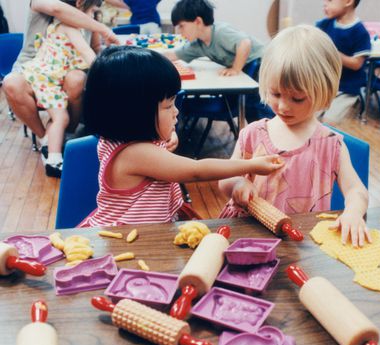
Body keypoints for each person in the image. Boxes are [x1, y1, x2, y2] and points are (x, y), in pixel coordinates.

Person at [79, 46, 283, 227]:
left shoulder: (120, 136)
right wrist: (252, 165)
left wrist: (168, 137)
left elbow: (155, 153)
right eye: (168, 106)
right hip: (129, 240)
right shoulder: (136, 153)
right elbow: (196, 171)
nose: (176, 111)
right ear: (135, 113)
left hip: (153, 228)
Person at [218, 25, 371, 247]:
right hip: (248, 237)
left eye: (297, 98)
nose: (283, 106)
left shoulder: (331, 145)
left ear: (324, 92)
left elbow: (356, 189)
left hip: (302, 241)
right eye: (275, 93)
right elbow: (224, 181)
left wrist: (354, 213)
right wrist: (238, 184)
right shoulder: (252, 134)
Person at [2, 0, 118, 162]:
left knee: (76, 79)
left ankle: (67, 132)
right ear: (80, 3)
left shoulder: (89, 17)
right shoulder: (43, 4)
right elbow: (56, 8)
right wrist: (103, 29)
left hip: (68, 68)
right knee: (11, 82)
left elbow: (94, 50)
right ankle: (46, 138)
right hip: (36, 67)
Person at [21, 0, 101, 177]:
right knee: (61, 118)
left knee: (60, 118)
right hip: (45, 79)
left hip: (46, 77)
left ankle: (51, 149)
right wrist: (106, 71)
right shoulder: (69, 26)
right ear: (79, 6)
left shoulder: (64, 26)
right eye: (91, 12)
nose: (92, 18)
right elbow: (88, 55)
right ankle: (54, 160)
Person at [163, 0, 271, 121]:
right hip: (248, 66)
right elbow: (174, 55)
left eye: (182, 26)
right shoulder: (198, 44)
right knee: (250, 105)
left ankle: (271, 133)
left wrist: (235, 68)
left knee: (257, 105)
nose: (180, 32)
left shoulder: (220, 32)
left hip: (260, 62)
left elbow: (244, 43)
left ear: (198, 21)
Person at [316, 0, 371, 123]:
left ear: (348, 1)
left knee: (329, 121)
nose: (325, 4)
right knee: (309, 118)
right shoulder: (324, 25)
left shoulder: (360, 32)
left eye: (330, 0)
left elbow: (357, 64)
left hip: (346, 89)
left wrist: (332, 52)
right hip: (323, 86)